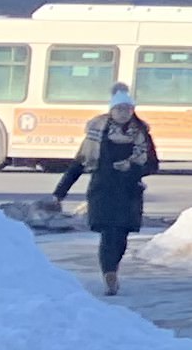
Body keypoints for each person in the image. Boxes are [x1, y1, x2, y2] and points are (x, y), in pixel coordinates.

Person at [53, 87, 158, 295]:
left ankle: (113, 269)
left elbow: (153, 165)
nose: (123, 113)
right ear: (111, 110)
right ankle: (109, 273)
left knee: (121, 236)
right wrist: (59, 193)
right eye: (119, 109)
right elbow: (79, 164)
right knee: (108, 234)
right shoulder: (96, 132)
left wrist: (132, 167)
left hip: (129, 192)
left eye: (127, 109)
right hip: (102, 189)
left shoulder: (141, 134)